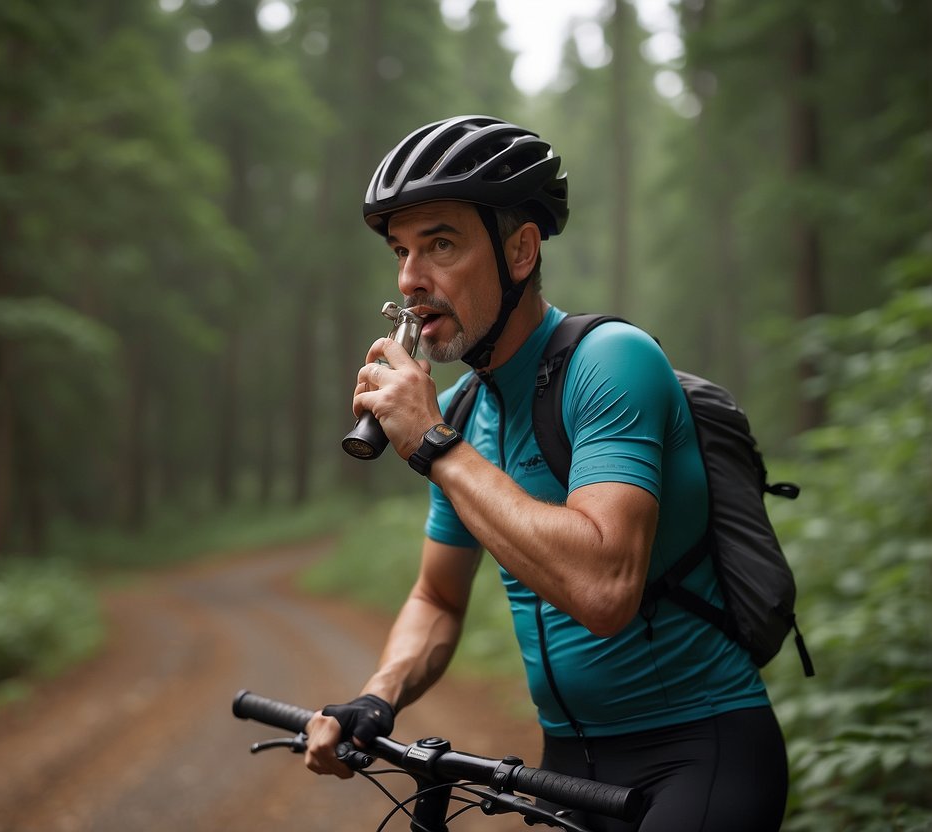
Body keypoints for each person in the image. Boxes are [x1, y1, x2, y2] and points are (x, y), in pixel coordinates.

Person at [304, 115, 789, 832]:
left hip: (699, 751)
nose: (411, 279)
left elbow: (602, 590)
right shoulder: (471, 411)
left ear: (520, 251)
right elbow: (438, 597)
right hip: (565, 765)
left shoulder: (611, 362)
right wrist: (379, 696)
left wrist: (435, 445)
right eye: (401, 251)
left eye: (440, 243)